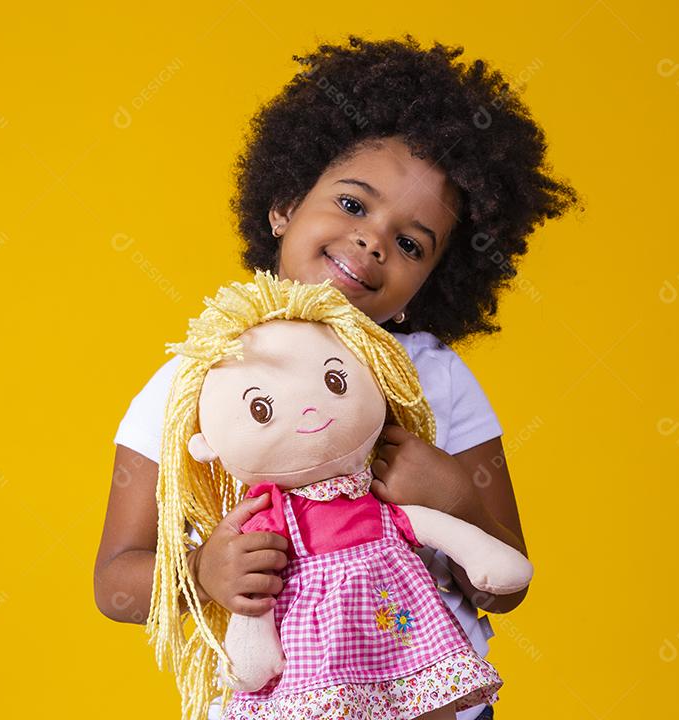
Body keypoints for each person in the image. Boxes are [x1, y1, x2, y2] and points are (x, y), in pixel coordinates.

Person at [95, 34, 580, 720]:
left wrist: (456, 501)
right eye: (353, 205)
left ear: (425, 284)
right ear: (285, 204)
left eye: (411, 243)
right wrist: (203, 572)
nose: (374, 239)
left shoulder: (435, 379)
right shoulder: (199, 378)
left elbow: (506, 584)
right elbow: (114, 582)